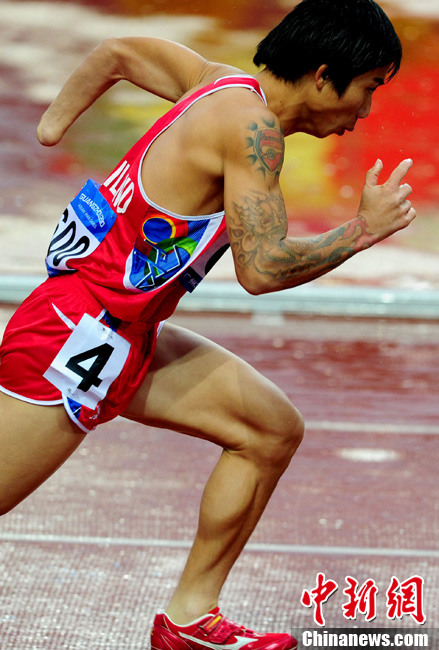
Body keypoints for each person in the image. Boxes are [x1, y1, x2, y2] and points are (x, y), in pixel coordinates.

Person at [0, 1, 415, 648]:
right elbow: (262, 269)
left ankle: (189, 619)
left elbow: (118, 54)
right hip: (73, 336)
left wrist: (53, 126)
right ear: (322, 75)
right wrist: (361, 231)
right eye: (368, 88)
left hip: (125, 331)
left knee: (269, 431)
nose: (365, 111)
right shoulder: (251, 129)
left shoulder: (216, 81)